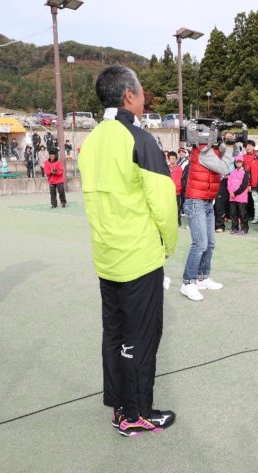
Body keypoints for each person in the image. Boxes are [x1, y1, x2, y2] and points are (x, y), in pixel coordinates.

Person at [78, 64, 178, 436]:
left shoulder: (92, 140)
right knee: (142, 336)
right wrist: (167, 244)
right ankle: (136, 412)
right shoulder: (138, 138)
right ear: (128, 96)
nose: (143, 97)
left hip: (106, 255)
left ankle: (120, 405)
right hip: (138, 255)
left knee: (115, 334)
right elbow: (163, 202)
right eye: (140, 91)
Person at [181, 133, 235, 301]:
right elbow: (225, 168)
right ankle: (188, 282)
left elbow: (236, 152)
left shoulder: (214, 149)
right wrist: (229, 146)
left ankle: (202, 277)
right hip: (196, 201)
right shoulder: (203, 150)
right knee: (200, 244)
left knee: (210, 243)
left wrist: (231, 142)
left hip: (207, 201)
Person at [227, 155, 250, 235]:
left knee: (242, 213)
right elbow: (229, 183)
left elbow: (244, 185)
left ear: (242, 162)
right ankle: (234, 227)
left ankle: (244, 228)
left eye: (240, 162)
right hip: (232, 196)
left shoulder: (245, 172)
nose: (238, 163)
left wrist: (235, 193)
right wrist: (230, 192)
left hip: (241, 196)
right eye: (237, 162)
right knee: (233, 213)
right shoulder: (232, 172)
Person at [167, 151, 183, 227]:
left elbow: (180, 180)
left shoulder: (179, 169)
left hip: (177, 192)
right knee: (168, 208)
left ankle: (178, 221)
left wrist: (178, 188)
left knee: (177, 207)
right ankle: (169, 221)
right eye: (171, 158)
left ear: (176, 159)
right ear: (168, 159)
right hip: (168, 192)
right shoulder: (166, 168)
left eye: (173, 158)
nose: (172, 160)